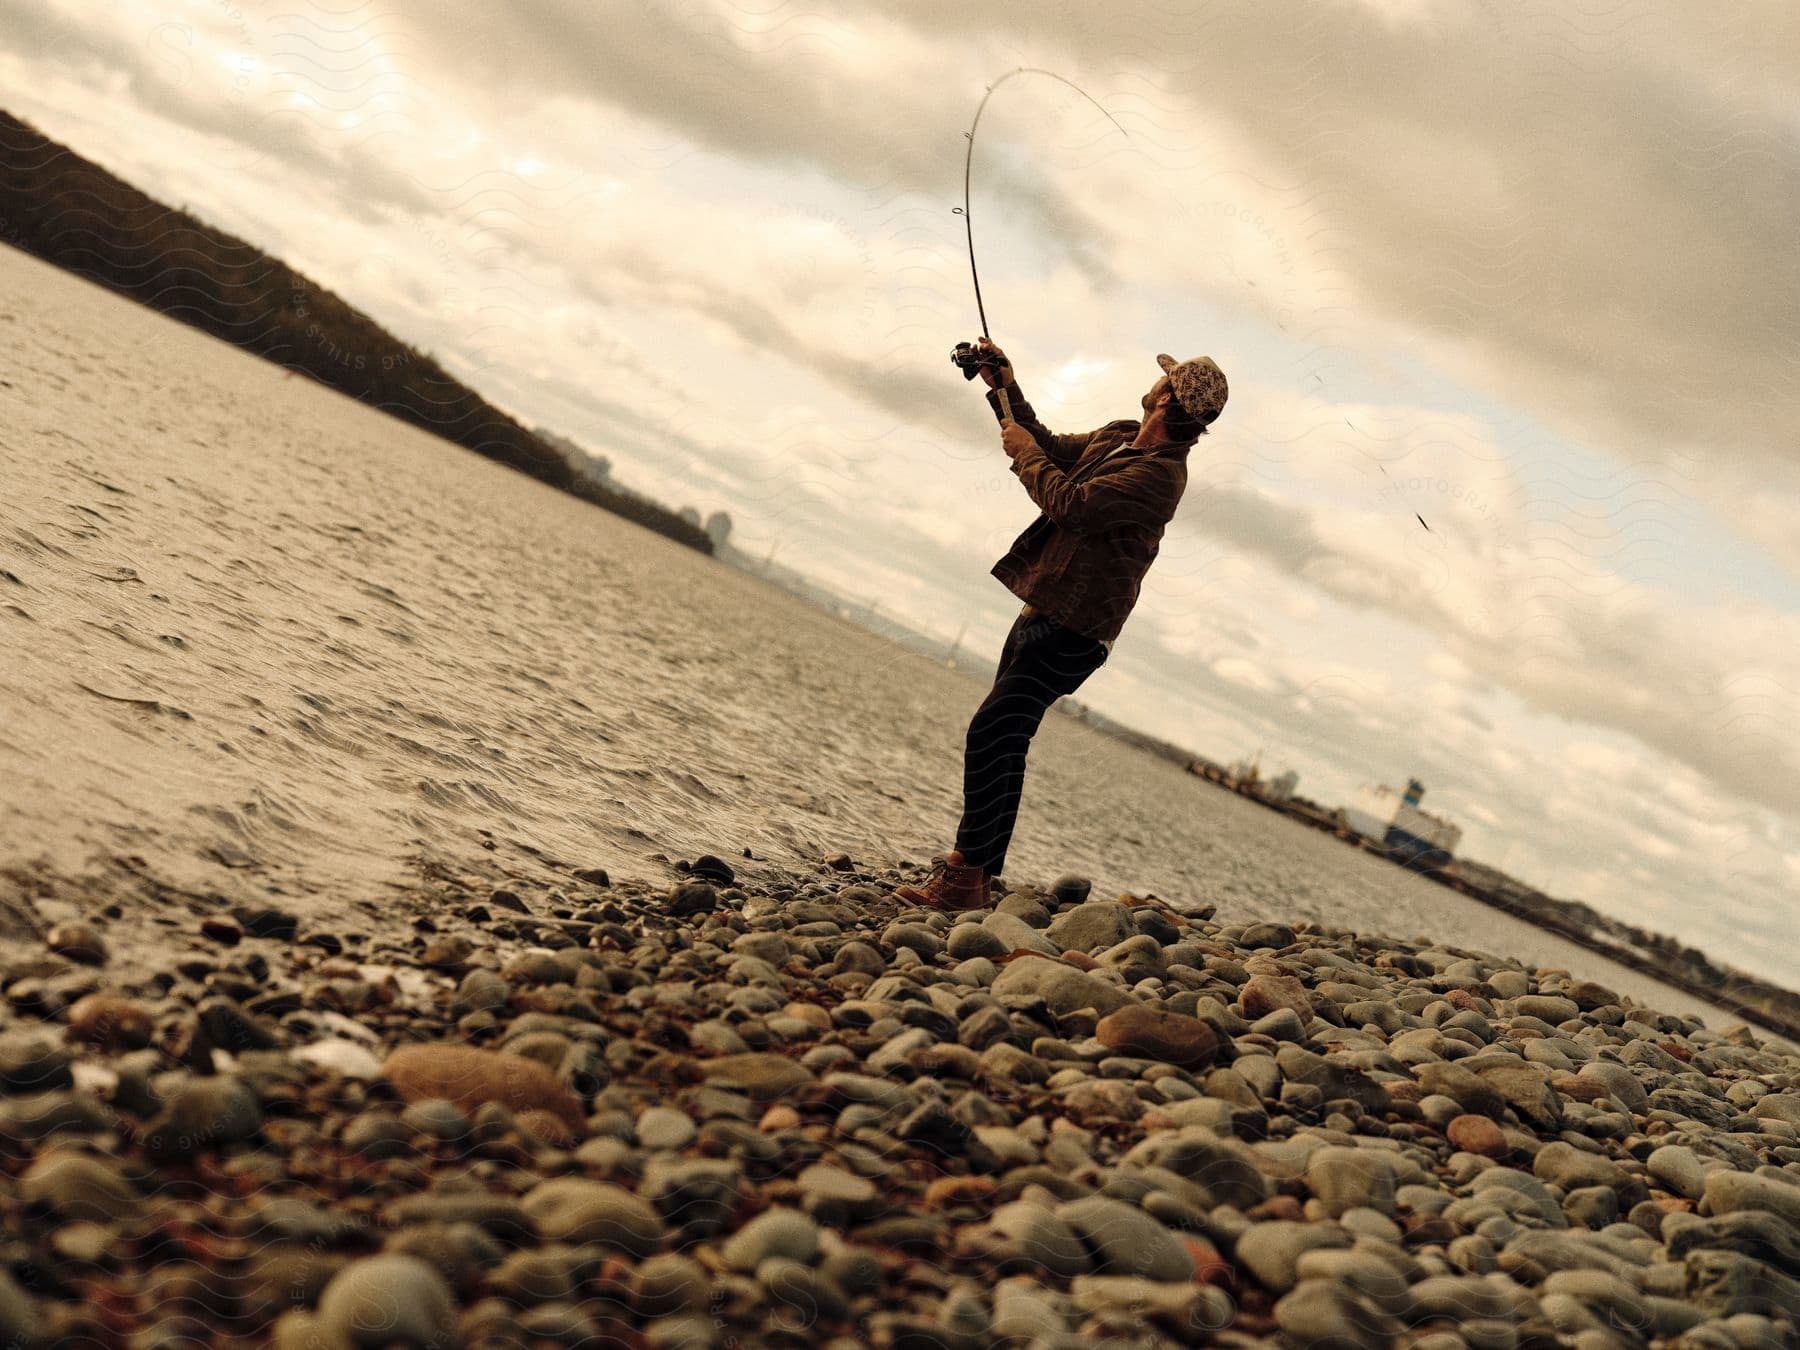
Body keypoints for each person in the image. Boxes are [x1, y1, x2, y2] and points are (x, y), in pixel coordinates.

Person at [894, 336, 1228, 910]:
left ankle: (963, 876)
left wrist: (1021, 452)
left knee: (990, 732)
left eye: (1165, 380)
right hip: (1044, 606)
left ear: (1169, 403)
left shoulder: (1159, 478)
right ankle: (976, 878)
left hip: (1075, 631)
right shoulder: (1122, 433)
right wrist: (1004, 387)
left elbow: (1070, 503)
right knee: (1009, 739)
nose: (1154, 381)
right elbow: (1048, 445)